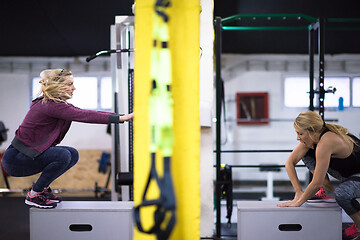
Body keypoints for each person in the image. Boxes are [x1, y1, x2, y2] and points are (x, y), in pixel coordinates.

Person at [1, 69, 133, 209]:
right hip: (15, 159)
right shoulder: (49, 106)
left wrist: (118, 116)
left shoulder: (55, 104)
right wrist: (120, 118)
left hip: (24, 156)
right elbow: (85, 115)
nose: (74, 88)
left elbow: (81, 112)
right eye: (70, 84)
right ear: (58, 86)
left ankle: (41, 189)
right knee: (63, 155)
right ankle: (35, 194)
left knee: (72, 154)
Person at [277, 111, 360, 240]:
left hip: (357, 175)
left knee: (342, 193)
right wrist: (298, 192)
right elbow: (289, 163)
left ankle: (359, 226)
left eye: (300, 133)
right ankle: (325, 190)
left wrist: (298, 202)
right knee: (306, 153)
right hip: (348, 173)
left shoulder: (326, 141)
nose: (297, 138)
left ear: (312, 131)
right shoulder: (315, 136)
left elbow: (316, 183)